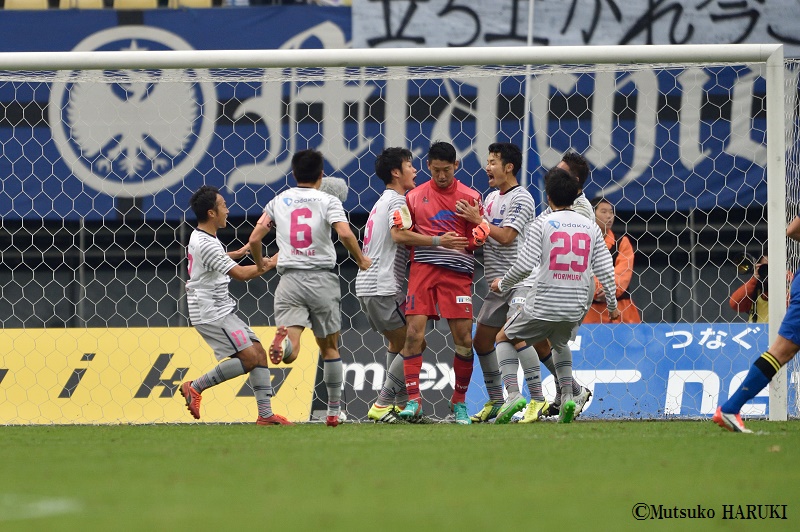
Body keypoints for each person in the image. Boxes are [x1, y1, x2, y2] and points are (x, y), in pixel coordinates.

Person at [247, 149, 372, 427]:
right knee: (330, 347)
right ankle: (332, 410)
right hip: (321, 278)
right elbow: (344, 233)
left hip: (289, 279)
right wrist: (361, 259)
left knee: (293, 348)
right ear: (321, 175)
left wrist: (259, 264)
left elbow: (256, 237)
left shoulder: (279, 200)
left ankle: (285, 343)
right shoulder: (328, 200)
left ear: (293, 174)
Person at [490, 167, 619, 423]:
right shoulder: (591, 227)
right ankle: (570, 397)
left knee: (504, 336)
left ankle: (513, 394)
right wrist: (613, 306)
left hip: (545, 301)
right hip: (576, 305)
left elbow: (525, 265)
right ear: (575, 197)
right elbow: (605, 269)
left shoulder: (542, 224)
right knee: (559, 344)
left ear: (548, 197)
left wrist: (502, 284)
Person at [356, 147, 469, 423]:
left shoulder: (381, 201)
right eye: (409, 165)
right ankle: (383, 403)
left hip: (368, 286)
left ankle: (399, 408)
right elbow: (398, 236)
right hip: (383, 285)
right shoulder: (398, 201)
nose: (415, 170)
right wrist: (438, 240)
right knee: (414, 342)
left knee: (398, 344)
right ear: (396, 172)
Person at [179, 185, 292, 426]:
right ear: (211, 213)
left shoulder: (201, 236)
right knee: (250, 358)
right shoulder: (207, 243)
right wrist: (272, 262)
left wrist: (237, 253)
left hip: (220, 309)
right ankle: (195, 387)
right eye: (223, 206)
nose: (227, 210)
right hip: (210, 312)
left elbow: (208, 261)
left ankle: (265, 414)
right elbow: (241, 275)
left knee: (259, 353)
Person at [395, 141, 486, 424]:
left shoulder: (471, 197)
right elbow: (401, 235)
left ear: (456, 166)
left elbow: (478, 238)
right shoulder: (413, 197)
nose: (442, 176)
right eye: (436, 171)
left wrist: (475, 231)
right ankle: (414, 402)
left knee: (463, 340)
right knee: (413, 335)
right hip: (422, 271)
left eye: (447, 170)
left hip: (457, 275)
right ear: (428, 167)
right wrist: (437, 241)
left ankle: (459, 403)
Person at [452, 142, 537, 423]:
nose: (487, 167)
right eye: (487, 162)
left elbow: (506, 237)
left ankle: (529, 397)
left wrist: (479, 221)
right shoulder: (489, 199)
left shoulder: (522, 198)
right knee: (482, 340)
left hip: (521, 280)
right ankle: (497, 399)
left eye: (492, 162)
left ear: (508, 167)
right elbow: (485, 236)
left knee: (512, 335)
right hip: (497, 285)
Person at [714, 216, 800, 433]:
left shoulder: (787, 278)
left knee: (782, 351)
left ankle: (730, 408)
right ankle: (731, 408)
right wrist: (756, 279)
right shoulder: (757, 284)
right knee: (782, 351)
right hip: (758, 334)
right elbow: (735, 303)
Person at [582, 198, 641, 324]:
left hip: (620, 310)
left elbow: (623, 273)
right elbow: (582, 271)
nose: (609, 216)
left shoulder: (621, 242)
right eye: (603, 211)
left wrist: (609, 291)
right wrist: (597, 291)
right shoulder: (582, 242)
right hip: (589, 311)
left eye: (611, 212)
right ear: (591, 214)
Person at [729, 253, 770, 323]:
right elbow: (734, 304)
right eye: (765, 267)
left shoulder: (787, 284)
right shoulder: (754, 291)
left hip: (780, 332)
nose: (768, 271)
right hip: (756, 333)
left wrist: (785, 277)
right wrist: (754, 279)